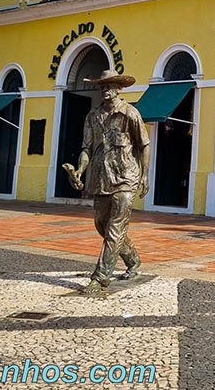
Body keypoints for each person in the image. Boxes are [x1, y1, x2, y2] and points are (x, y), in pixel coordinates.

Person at [63, 70, 150, 295]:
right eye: (102, 86)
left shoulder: (130, 113)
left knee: (115, 227)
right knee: (102, 224)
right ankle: (133, 260)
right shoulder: (92, 116)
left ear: (119, 88)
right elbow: (86, 148)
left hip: (126, 178)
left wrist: (145, 175)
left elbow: (144, 145)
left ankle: (100, 278)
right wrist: (80, 170)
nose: (105, 90)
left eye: (110, 85)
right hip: (101, 178)